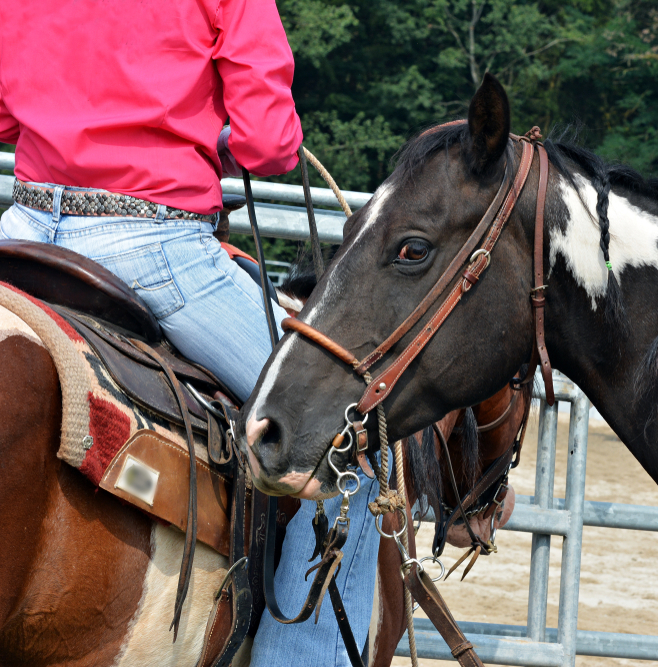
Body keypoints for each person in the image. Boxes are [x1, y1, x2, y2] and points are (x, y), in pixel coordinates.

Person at [0, 1, 379, 664]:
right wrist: (209, 131)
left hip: (24, 228)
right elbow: (269, 144)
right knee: (348, 432)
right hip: (154, 245)